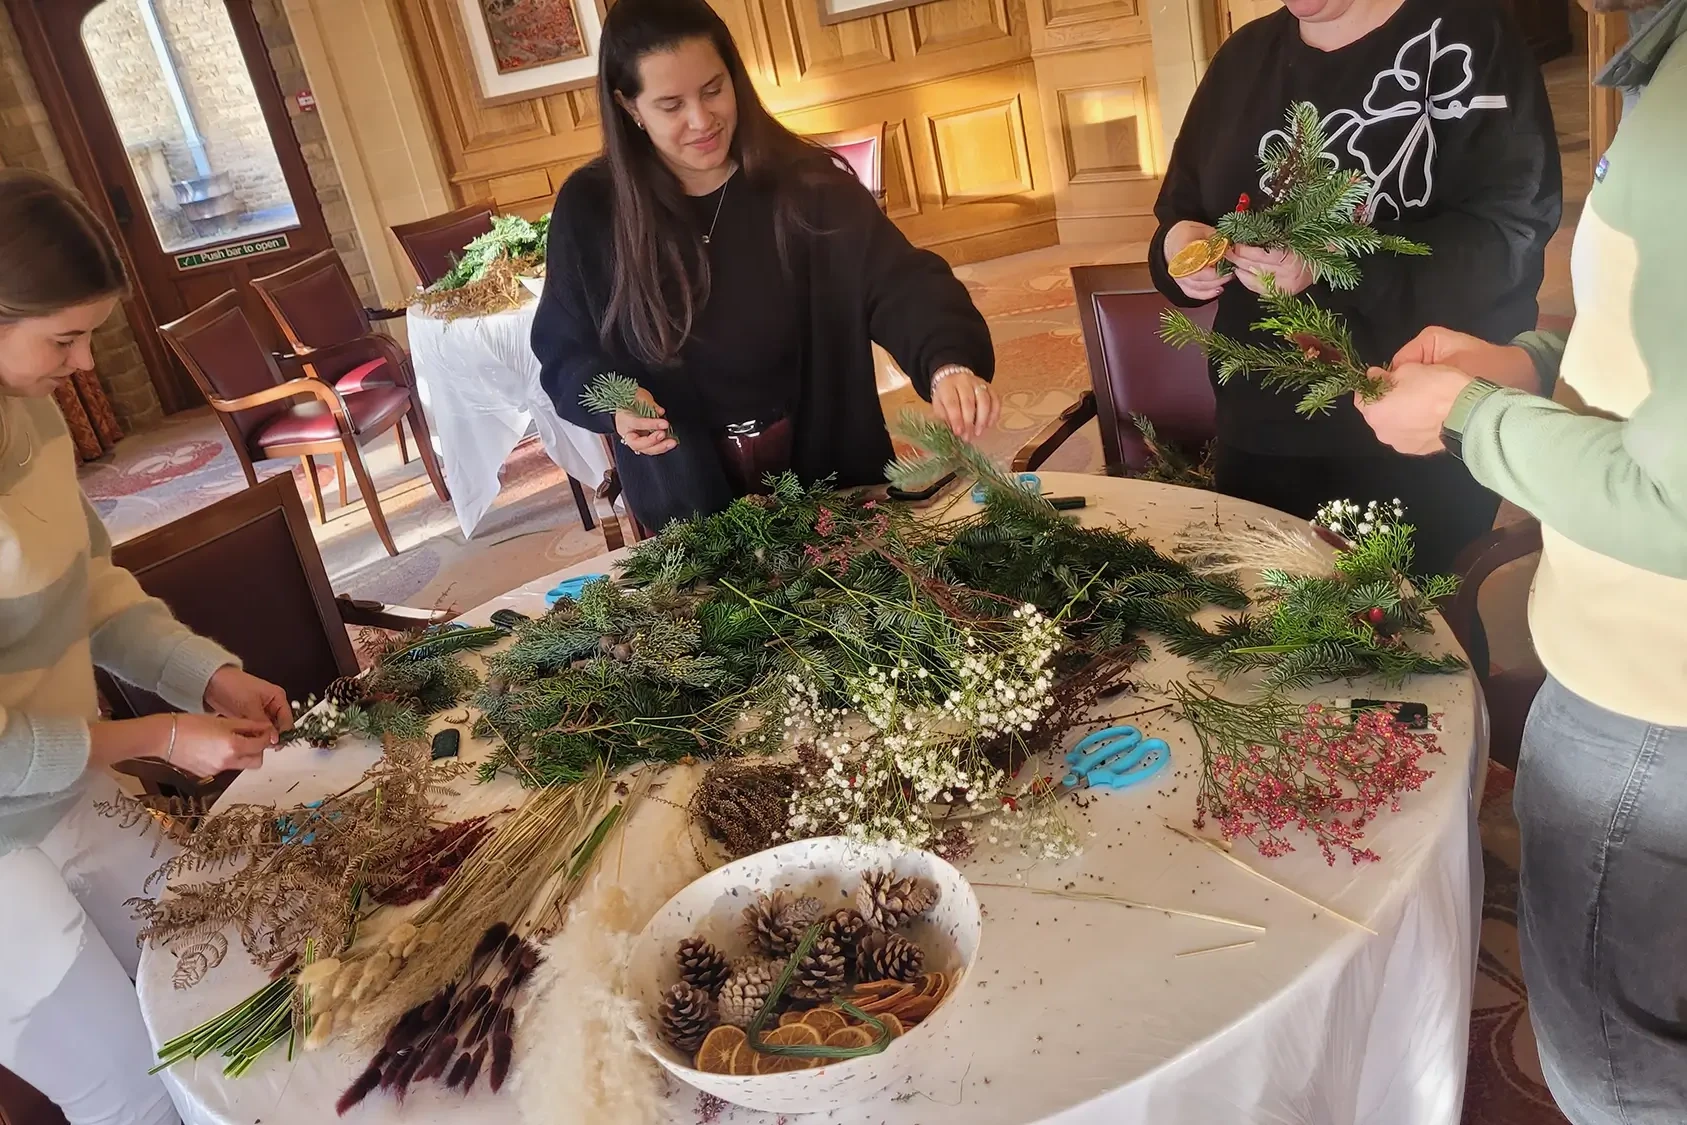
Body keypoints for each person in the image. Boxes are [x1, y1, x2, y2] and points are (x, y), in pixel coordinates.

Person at [1355, 4, 1687, 1121]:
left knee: (1617, 1068)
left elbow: (1675, 499)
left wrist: (1469, 415)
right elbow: (1649, 357)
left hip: (1650, 703)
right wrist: (1528, 362)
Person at [0, 171, 293, 1124]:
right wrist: (160, 738)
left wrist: (205, 675)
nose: (85, 365)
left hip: (61, 781)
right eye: (63, 338)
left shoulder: (31, 412)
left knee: (224, 981)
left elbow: (91, 585)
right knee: (134, 1092)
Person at [534, 0, 998, 532]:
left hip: (833, 478)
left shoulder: (808, 184)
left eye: (713, 89)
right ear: (629, 107)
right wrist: (617, 402)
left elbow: (900, 282)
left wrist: (947, 362)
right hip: (688, 501)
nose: (702, 120)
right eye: (670, 105)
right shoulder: (592, 210)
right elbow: (565, 348)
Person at [1149, 0, 1561, 578]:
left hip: (1407, 425)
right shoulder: (1242, 58)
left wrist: (1335, 259)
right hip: (1259, 423)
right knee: (1260, 636)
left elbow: (1508, 239)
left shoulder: (1470, 35)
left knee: (1412, 644)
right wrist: (1180, 253)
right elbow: (1180, 213)